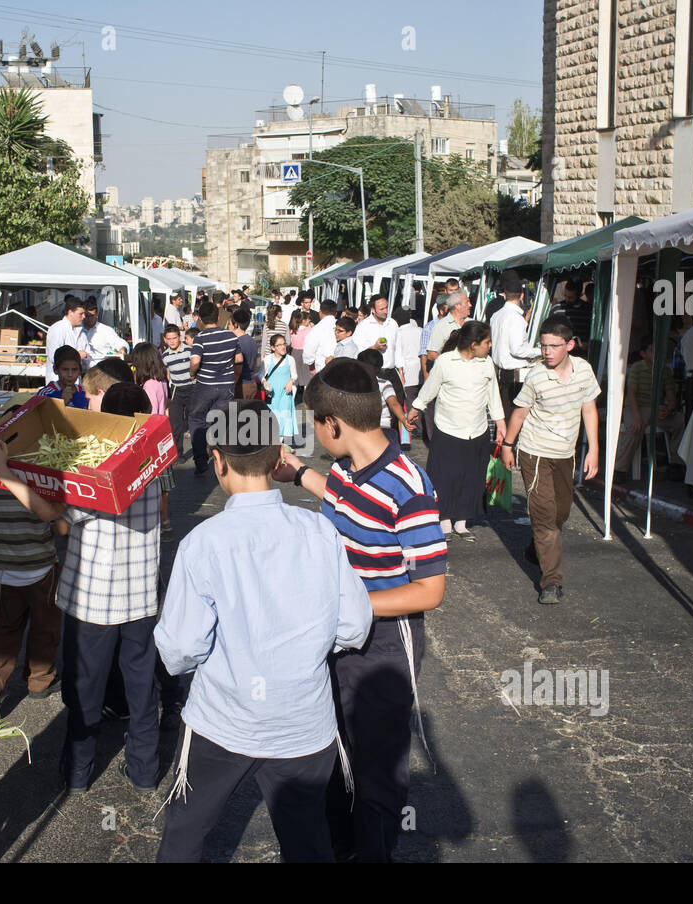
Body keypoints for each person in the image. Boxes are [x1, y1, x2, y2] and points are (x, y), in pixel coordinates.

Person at [156, 401, 372, 863]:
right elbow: (354, 626)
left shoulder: (202, 544)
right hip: (303, 723)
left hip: (222, 719)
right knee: (308, 839)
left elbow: (179, 649)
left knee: (186, 834)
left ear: (217, 458)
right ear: (279, 457)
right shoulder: (319, 530)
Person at [273, 358, 447, 862]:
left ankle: (372, 851)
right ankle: (340, 843)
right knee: (332, 745)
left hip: (383, 643)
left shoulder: (409, 486)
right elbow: (348, 503)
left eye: (313, 426)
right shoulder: (348, 467)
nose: (312, 434)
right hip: (338, 630)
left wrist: (347, 605)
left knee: (377, 766)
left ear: (333, 423)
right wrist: (299, 473)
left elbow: (430, 589)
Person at [0, 383, 163, 794]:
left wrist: (6, 474)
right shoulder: (154, 465)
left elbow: (51, 514)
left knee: (85, 689)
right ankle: (145, 771)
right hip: (141, 601)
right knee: (141, 685)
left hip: (93, 602)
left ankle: (78, 775)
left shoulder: (99, 471)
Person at [498, 319, 601, 606]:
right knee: (544, 518)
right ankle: (551, 581)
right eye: (543, 345)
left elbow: (589, 408)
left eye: (553, 346)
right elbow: (519, 413)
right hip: (536, 453)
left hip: (566, 454)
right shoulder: (536, 376)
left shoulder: (584, 370)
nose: (546, 351)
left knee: (560, 513)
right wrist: (508, 446)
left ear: (569, 345)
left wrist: (593, 449)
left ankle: (538, 544)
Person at [0, 467, 62, 703]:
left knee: (4, 629)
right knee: (45, 627)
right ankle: (39, 681)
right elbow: (61, 527)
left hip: (2, 571)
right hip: (42, 568)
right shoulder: (42, 479)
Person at [408, 322, 504, 539]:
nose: (490, 346)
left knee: (472, 476)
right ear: (473, 344)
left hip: (477, 430)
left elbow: (493, 394)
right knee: (445, 476)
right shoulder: (445, 361)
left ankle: (462, 521)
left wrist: (501, 423)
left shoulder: (487, 363)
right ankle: (444, 521)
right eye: (487, 342)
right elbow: (429, 389)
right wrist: (415, 409)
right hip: (448, 428)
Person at [615, 337, 685, 481]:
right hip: (636, 406)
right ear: (643, 354)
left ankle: (675, 462)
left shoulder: (664, 370)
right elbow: (631, 394)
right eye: (652, 350)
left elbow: (671, 395)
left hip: (655, 409)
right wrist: (636, 417)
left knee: (680, 420)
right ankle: (620, 469)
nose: (657, 354)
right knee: (635, 428)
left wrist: (669, 409)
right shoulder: (637, 368)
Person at [187, 300, 242, 476]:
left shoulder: (200, 338)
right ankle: (224, 458)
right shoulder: (231, 336)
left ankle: (201, 460)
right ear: (218, 317)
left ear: (201, 320)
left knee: (197, 419)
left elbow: (195, 361)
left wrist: (192, 374)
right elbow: (239, 359)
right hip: (226, 385)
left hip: (205, 386)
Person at [132, 342, 177, 532]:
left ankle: (157, 521)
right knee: (163, 487)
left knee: (153, 486)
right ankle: (165, 521)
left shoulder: (148, 385)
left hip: (151, 439)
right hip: (163, 435)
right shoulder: (161, 381)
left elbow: (148, 415)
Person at [490, 272, 540, 423]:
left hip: (502, 371)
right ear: (522, 296)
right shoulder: (514, 318)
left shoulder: (496, 315)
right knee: (515, 416)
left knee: (506, 413)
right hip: (514, 375)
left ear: (504, 295)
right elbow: (517, 349)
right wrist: (540, 351)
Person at [358, 348, 411, 445]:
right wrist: (403, 419)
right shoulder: (384, 383)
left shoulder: (354, 385)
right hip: (384, 428)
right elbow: (393, 403)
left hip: (361, 429)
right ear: (379, 367)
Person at [162, 326, 193, 459]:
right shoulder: (164, 356)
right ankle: (178, 455)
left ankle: (201, 452)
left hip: (192, 388)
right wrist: (167, 396)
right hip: (176, 391)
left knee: (196, 422)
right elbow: (167, 375)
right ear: (165, 340)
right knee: (175, 424)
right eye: (169, 339)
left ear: (180, 337)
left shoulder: (190, 351)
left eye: (174, 338)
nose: (172, 341)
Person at [261, 334, 298, 446]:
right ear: (273, 348)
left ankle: (280, 444)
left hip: (285, 393)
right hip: (272, 394)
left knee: (285, 416)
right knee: (274, 417)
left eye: (284, 344)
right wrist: (264, 381)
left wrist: (291, 381)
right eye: (279, 345)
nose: (283, 347)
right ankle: (274, 442)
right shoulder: (267, 360)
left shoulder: (290, 359)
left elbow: (295, 375)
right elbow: (260, 374)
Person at [45, 297, 87, 385]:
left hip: (75, 382)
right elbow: (53, 356)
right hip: (58, 382)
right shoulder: (58, 328)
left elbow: (87, 353)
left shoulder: (81, 330)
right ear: (70, 312)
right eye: (81, 314)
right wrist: (77, 355)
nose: (84, 317)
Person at [77, 303, 129, 371]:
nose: (89, 319)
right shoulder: (78, 330)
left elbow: (120, 343)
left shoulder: (106, 330)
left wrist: (122, 349)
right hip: (82, 371)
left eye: (92, 316)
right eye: (87, 316)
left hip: (103, 370)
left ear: (97, 314)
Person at [352, 295, 398, 368]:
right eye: (381, 309)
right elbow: (355, 352)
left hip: (391, 371)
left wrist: (401, 371)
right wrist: (374, 347)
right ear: (373, 310)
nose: (385, 311)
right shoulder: (363, 326)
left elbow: (398, 348)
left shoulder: (392, 323)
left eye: (386, 307)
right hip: (371, 372)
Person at [426, 291, 471, 365]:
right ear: (457, 305)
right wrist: (450, 366)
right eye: (467, 302)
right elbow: (431, 354)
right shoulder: (440, 326)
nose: (470, 305)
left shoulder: (473, 323)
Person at [548, 278, 593, 349]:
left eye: (570, 297)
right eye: (565, 296)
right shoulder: (557, 309)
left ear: (579, 295)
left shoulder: (588, 310)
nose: (567, 300)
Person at [229, 311, 260, 400]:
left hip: (240, 385)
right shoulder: (252, 341)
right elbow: (254, 364)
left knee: (234, 413)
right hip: (251, 383)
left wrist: (233, 384)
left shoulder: (237, 342)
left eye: (230, 324)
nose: (228, 327)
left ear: (236, 325)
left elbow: (238, 368)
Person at [305, 299, 341, 373]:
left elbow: (309, 350)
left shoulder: (316, 329)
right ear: (336, 313)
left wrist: (310, 365)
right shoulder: (342, 326)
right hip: (341, 366)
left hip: (322, 368)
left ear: (320, 312)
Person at [394, 313, 423, 406]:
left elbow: (398, 355)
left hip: (408, 374)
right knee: (426, 405)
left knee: (411, 404)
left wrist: (401, 373)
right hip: (422, 371)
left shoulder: (398, 333)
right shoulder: (420, 330)